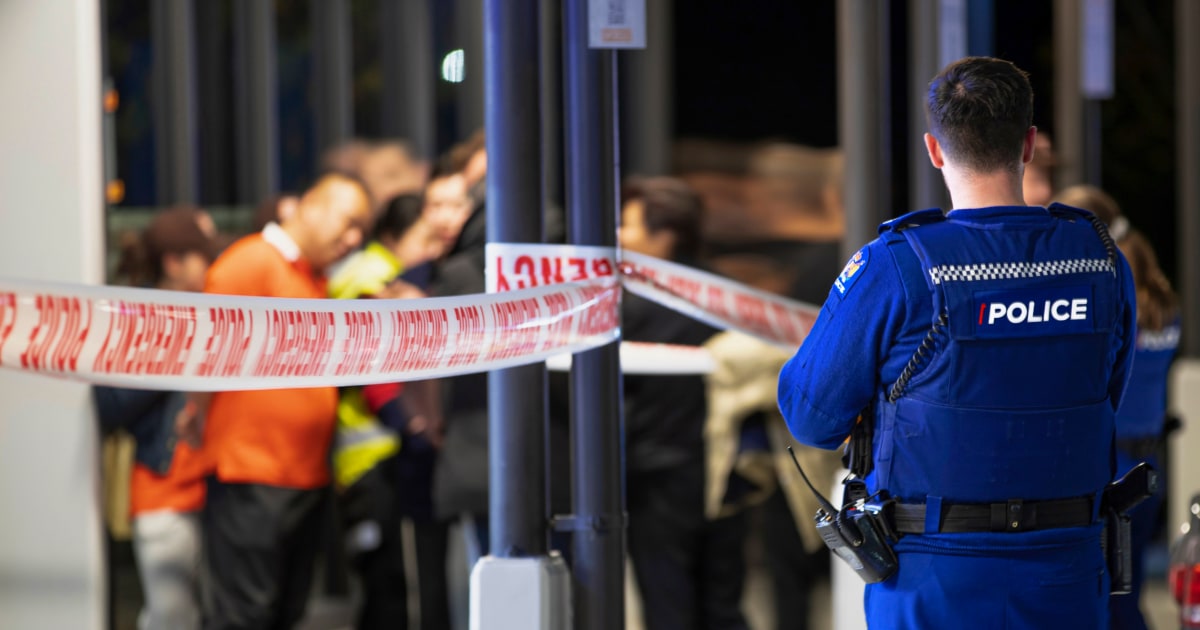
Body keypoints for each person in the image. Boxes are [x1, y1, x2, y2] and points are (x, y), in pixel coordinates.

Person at [777, 56, 1137, 628]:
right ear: (1028, 144)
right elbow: (1108, 392)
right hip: (1067, 569)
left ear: (935, 149)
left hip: (932, 575)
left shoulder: (896, 265)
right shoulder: (1099, 259)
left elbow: (811, 417)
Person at [178, 172, 372, 629]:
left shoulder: (313, 278)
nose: (354, 239)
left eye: (362, 229)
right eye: (348, 223)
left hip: (302, 476)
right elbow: (210, 350)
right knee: (243, 615)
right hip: (251, 473)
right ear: (309, 206)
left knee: (284, 612)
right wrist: (196, 414)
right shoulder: (250, 262)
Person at [1055, 184, 1180, 630]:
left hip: (1109, 474)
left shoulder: (1105, 298)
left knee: (1105, 598)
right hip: (1147, 470)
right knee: (1129, 591)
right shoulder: (1165, 305)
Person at [618, 176, 737, 630]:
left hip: (658, 479)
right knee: (723, 603)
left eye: (627, 226)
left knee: (667, 604)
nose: (618, 238)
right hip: (728, 477)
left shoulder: (633, 308)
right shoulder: (733, 299)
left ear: (663, 234)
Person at [328, 193, 450, 630]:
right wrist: (413, 425)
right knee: (394, 592)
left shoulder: (376, 273)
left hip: (370, 458)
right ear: (395, 236)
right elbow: (376, 369)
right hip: (375, 458)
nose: (434, 250)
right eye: (426, 238)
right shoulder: (380, 277)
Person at [94, 206, 219, 630]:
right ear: (174, 262)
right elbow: (111, 403)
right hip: (165, 492)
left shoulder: (218, 315)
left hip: (215, 491)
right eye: (205, 256)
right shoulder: (135, 319)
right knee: (172, 618)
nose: (214, 267)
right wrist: (177, 349)